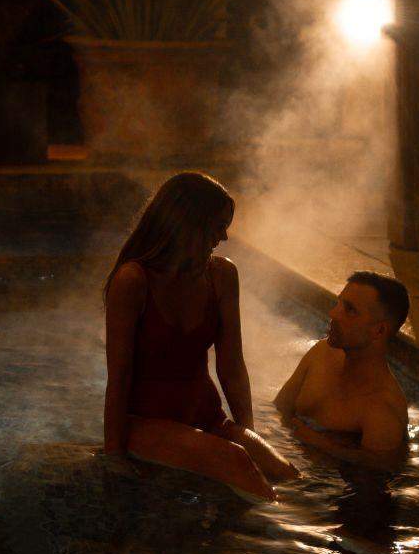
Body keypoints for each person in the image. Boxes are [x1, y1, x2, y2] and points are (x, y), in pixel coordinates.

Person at [102, 172, 298, 502]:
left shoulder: (222, 275)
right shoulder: (133, 280)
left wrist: (247, 432)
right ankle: (303, 545)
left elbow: (232, 365)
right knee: (238, 462)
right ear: (187, 224)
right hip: (148, 424)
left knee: (284, 472)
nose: (224, 236)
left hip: (207, 418)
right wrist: (113, 456)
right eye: (217, 226)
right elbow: (119, 376)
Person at [274, 272, 411, 472]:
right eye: (339, 303)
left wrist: (323, 446)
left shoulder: (381, 411)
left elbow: (379, 471)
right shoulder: (321, 353)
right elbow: (278, 408)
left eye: (349, 310)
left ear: (379, 331)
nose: (333, 313)